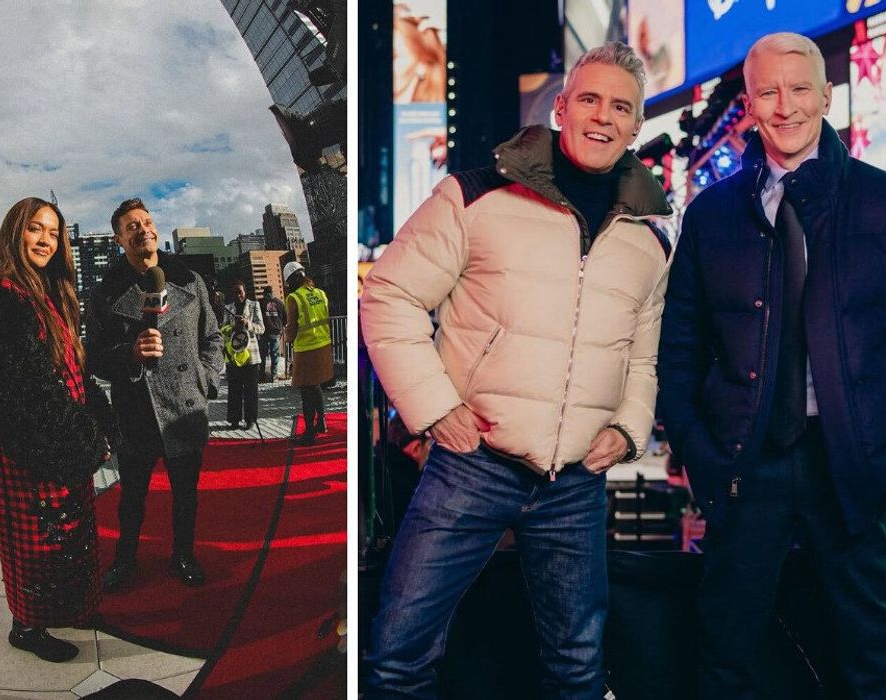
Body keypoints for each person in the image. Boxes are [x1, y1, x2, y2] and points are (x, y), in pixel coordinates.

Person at [657, 32, 886, 699]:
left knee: (868, 653)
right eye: (767, 91)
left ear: (826, 95)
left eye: (799, 88)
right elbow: (677, 346)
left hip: (852, 468)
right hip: (743, 466)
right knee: (726, 651)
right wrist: (697, 448)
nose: (785, 105)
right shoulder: (711, 217)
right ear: (746, 103)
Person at [359, 42, 673, 697]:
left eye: (620, 106)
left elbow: (643, 352)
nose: (601, 116)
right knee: (396, 656)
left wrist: (627, 425)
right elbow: (388, 293)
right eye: (588, 98)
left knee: (578, 667)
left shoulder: (648, 237)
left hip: (574, 485)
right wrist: (434, 409)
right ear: (560, 108)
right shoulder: (474, 195)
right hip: (470, 465)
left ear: (635, 125)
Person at [0, 197, 123, 662]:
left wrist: (98, 427)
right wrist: (80, 439)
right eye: (35, 229)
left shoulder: (53, 295)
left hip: (65, 438)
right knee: (34, 540)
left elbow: (76, 372)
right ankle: (27, 625)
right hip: (27, 449)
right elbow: (11, 393)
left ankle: (68, 608)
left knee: (70, 532)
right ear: (14, 232)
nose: (45, 239)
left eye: (53, 232)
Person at [86, 198, 223, 591]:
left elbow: (212, 338)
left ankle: (184, 555)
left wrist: (206, 381)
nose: (142, 229)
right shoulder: (105, 293)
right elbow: (93, 356)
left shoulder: (188, 279)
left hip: (185, 407)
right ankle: (125, 559)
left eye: (147, 222)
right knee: (132, 498)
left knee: (186, 496)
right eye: (132, 226)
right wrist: (129, 353)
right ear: (119, 239)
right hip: (135, 410)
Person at [283, 261, 334, 446]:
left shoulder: (294, 298)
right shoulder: (320, 293)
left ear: (293, 279)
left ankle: (309, 432)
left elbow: (291, 329)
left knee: (306, 391)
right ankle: (321, 422)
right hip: (324, 345)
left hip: (306, 348)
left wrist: (288, 338)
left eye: (288, 281)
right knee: (316, 386)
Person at [223, 280, 264, 430]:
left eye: (240, 291)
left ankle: (250, 419)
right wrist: (233, 326)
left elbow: (261, 328)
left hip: (251, 356)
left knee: (251, 390)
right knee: (234, 389)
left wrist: (248, 324)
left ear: (245, 292)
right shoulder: (228, 308)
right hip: (234, 355)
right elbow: (223, 330)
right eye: (235, 292)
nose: (238, 295)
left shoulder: (254, 305)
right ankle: (234, 420)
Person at [258, 285, 285, 381]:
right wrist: (281, 327)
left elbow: (257, 317)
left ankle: (261, 376)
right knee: (275, 355)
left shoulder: (261, 303)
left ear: (264, 293)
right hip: (275, 331)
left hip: (264, 332)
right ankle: (274, 376)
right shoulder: (279, 303)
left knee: (262, 355)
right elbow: (284, 317)